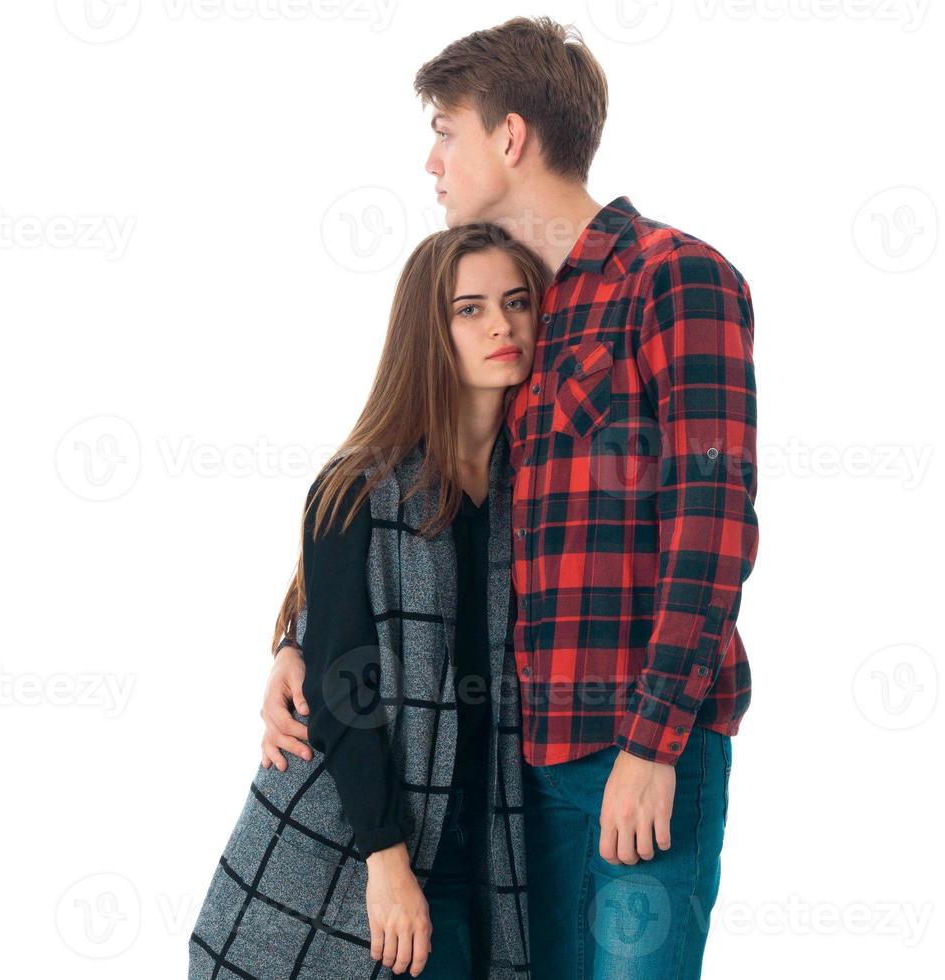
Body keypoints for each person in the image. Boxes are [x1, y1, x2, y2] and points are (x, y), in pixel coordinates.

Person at [260, 16, 759, 980]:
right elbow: (422, 501)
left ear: (511, 137)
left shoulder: (674, 278)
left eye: (446, 130)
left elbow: (713, 527)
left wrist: (652, 748)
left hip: (641, 754)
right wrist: (300, 638)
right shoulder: (525, 310)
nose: (431, 160)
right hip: (522, 773)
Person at [189, 222, 549, 979]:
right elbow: (343, 694)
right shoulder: (359, 485)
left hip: (480, 855)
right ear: (429, 332)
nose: (502, 326)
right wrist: (385, 863)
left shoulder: (533, 489)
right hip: (360, 852)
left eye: (516, 302)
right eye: (470, 309)